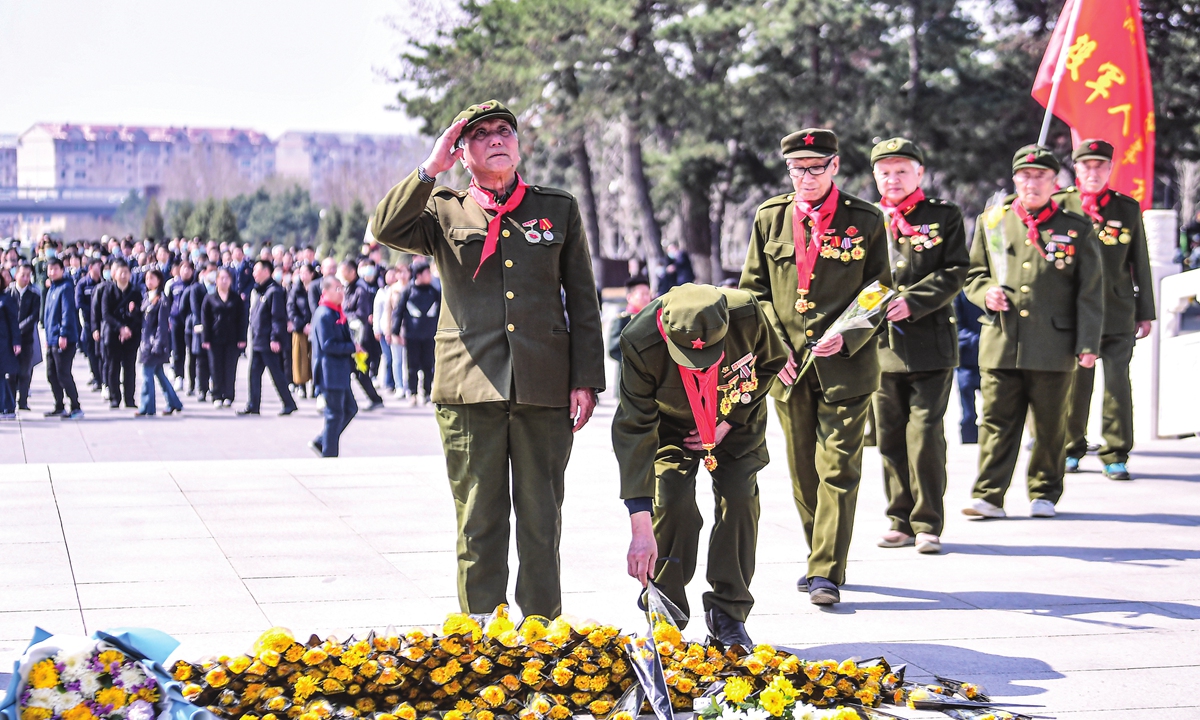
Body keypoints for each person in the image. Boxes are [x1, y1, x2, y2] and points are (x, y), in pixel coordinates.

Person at [370, 99, 606, 618]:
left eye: (505, 131)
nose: (496, 139)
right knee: (479, 518)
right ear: (462, 151)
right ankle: (481, 637)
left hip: (543, 385)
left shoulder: (557, 207)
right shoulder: (442, 207)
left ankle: (543, 632)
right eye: (481, 135)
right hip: (468, 384)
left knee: (542, 519)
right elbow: (384, 229)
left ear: (518, 144)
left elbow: (583, 299)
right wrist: (430, 168)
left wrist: (585, 379)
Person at [738, 128, 891, 605]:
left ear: (835, 166)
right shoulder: (770, 217)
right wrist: (774, 349)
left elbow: (879, 287)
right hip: (787, 367)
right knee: (804, 471)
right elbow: (754, 291)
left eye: (815, 168)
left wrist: (846, 333)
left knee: (839, 468)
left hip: (846, 366)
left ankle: (826, 569)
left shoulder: (865, 219)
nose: (805, 177)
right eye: (797, 169)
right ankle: (818, 554)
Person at [614, 284, 788, 646]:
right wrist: (640, 525)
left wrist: (729, 420)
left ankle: (728, 614)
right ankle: (666, 611)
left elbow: (772, 362)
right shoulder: (639, 339)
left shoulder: (747, 312)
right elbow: (634, 430)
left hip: (735, 418)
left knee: (739, 501)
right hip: (672, 427)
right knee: (672, 502)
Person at [962, 144, 1103, 520]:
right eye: (1025, 175)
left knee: (1050, 424)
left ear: (1055, 182)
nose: (1032, 182)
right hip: (1002, 340)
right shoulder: (993, 221)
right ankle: (989, 496)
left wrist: (1088, 343)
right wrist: (984, 293)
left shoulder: (1076, 228)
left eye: (1041, 176)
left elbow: (1090, 292)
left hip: (1053, 343)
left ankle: (1044, 492)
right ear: (1014, 179)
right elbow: (973, 274)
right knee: (995, 422)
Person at [868, 138, 969, 555]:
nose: (893, 179)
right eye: (885, 172)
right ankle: (899, 519)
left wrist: (914, 300)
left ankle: (928, 522)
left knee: (924, 434)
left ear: (919, 174)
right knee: (890, 437)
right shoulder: (866, 219)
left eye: (902, 171)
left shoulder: (943, 217)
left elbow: (957, 269)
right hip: (879, 348)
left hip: (930, 344)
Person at [1054, 139, 1156, 481]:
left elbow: (1139, 262)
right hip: (1074, 314)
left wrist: (1146, 311)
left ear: (1110, 169)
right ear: (1076, 168)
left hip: (1117, 311)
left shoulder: (1125, 208)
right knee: (1075, 384)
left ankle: (1116, 453)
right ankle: (1070, 447)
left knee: (1117, 384)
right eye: (1086, 166)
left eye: (1100, 166)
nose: (1093, 172)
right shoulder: (1060, 205)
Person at [239, 259, 297, 416]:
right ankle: (253, 405)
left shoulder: (274, 291)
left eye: (256, 270)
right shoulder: (260, 290)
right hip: (259, 340)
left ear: (266, 271)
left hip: (268, 341)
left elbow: (277, 317)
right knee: (253, 373)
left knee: (276, 373)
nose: (253, 273)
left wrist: (275, 338)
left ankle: (289, 403)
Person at [309, 275, 359, 457]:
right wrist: (352, 347)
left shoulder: (336, 312)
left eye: (342, 288)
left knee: (350, 409)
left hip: (340, 372)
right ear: (325, 291)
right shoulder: (324, 314)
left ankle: (322, 441)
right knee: (334, 414)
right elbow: (328, 344)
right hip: (329, 372)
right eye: (336, 289)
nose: (341, 293)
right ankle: (329, 454)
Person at [136, 269, 183, 416]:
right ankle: (174, 402)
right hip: (145, 341)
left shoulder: (161, 299)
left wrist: (157, 344)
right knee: (159, 374)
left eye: (152, 278)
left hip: (154, 344)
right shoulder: (146, 297)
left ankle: (147, 407)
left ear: (159, 280)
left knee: (146, 374)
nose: (149, 281)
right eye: (147, 278)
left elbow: (162, 325)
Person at [392, 259, 439, 406]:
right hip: (412, 335)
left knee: (428, 364)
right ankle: (412, 392)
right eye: (426, 273)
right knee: (412, 365)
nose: (429, 276)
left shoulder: (434, 291)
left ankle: (426, 392)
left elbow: (442, 312)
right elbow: (398, 312)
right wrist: (395, 331)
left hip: (430, 335)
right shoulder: (407, 291)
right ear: (418, 275)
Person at [42, 257, 84, 419]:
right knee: (51, 373)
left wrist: (63, 334)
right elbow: (47, 316)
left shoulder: (66, 287)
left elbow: (67, 313)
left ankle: (75, 406)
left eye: (55, 269)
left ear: (62, 270)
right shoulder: (52, 288)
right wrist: (48, 336)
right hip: (52, 338)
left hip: (64, 338)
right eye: (49, 269)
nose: (52, 272)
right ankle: (59, 405)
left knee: (63, 373)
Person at [340, 260, 385, 410]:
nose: (342, 274)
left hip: (361, 340)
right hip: (352, 338)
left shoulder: (361, 289)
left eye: (344, 271)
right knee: (352, 371)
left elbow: (361, 314)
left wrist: (344, 314)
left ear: (352, 272)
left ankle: (375, 399)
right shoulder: (349, 288)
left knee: (361, 371)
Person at [201, 267, 247, 408]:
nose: (224, 281)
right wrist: (205, 339)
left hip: (232, 338)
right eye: (222, 278)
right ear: (216, 281)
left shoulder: (236, 298)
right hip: (214, 338)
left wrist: (242, 338)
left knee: (230, 367)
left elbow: (242, 319)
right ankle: (216, 395)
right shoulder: (210, 298)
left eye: (227, 278)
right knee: (215, 367)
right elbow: (205, 319)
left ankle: (228, 395)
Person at [102, 261, 143, 409]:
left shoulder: (136, 292)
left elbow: (140, 315)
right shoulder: (109, 290)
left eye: (127, 272)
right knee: (113, 367)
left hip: (131, 335)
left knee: (130, 367)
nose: (124, 275)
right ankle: (114, 397)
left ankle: (129, 399)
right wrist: (120, 328)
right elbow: (106, 314)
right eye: (121, 272)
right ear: (115, 274)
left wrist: (129, 326)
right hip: (113, 334)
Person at [953, 291, 984, 444]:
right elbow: (956, 325)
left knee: (994, 410)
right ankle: (969, 440)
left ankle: (987, 440)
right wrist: (978, 340)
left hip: (989, 359)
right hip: (966, 361)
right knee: (968, 413)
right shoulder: (961, 293)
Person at [9, 263, 40, 411]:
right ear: (16, 275)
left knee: (25, 371)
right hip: (10, 340)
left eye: (28, 275)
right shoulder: (8, 293)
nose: (26, 278)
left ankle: (23, 401)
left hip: (26, 339)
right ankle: (9, 401)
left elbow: (34, 317)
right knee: (10, 372)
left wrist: (18, 330)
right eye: (23, 275)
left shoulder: (34, 294)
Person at [75, 258, 104, 390]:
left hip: (102, 322)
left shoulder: (104, 283)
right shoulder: (82, 284)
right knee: (91, 351)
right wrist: (93, 311)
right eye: (98, 266)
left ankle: (103, 377)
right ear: (91, 267)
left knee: (102, 351)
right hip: (88, 323)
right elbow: (79, 303)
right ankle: (96, 377)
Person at [288, 262, 315, 398]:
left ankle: (316, 387)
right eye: (301, 273)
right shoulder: (295, 289)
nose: (303, 275)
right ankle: (301, 386)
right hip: (300, 329)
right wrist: (302, 325)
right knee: (300, 358)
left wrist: (313, 324)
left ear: (312, 274)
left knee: (315, 358)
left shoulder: (317, 288)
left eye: (306, 272)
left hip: (315, 328)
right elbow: (291, 309)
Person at [0, 272, 19, 419]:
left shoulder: (7, 298)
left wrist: (16, 341)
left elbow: (13, 321)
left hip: (4, 342)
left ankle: (8, 406)